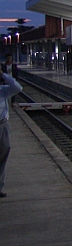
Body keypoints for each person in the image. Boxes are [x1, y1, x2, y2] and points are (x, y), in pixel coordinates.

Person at [0, 70, 23, 198]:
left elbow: (18, 88)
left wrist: (3, 74)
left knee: (4, 153)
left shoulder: (3, 90)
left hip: (3, 124)